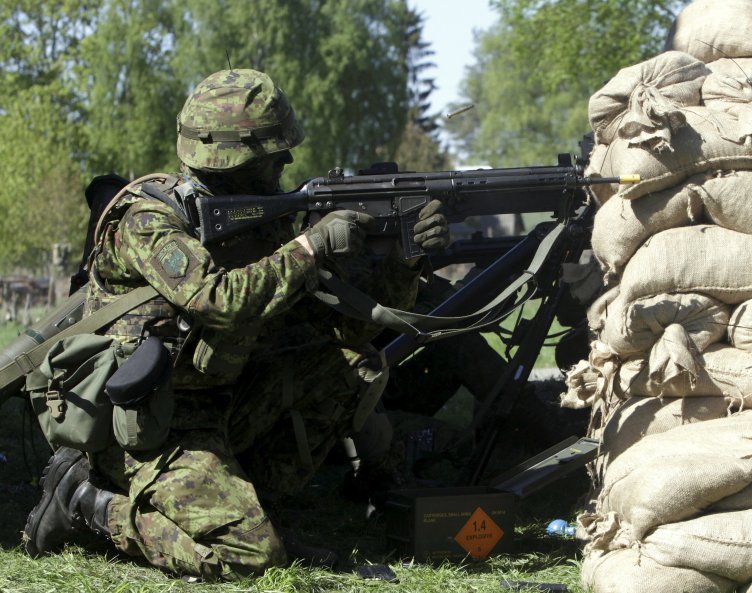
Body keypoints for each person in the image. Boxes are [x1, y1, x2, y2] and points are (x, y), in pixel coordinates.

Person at [21, 68, 449, 580]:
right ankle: (88, 503)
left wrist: (405, 262)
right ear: (232, 158)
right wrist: (311, 246)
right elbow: (215, 298)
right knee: (251, 558)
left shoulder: (267, 224)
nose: (285, 162)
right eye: (272, 154)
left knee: (354, 367)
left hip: (222, 404)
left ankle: (250, 506)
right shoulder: (146, 219)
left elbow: (338, 331)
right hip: (147, 428)